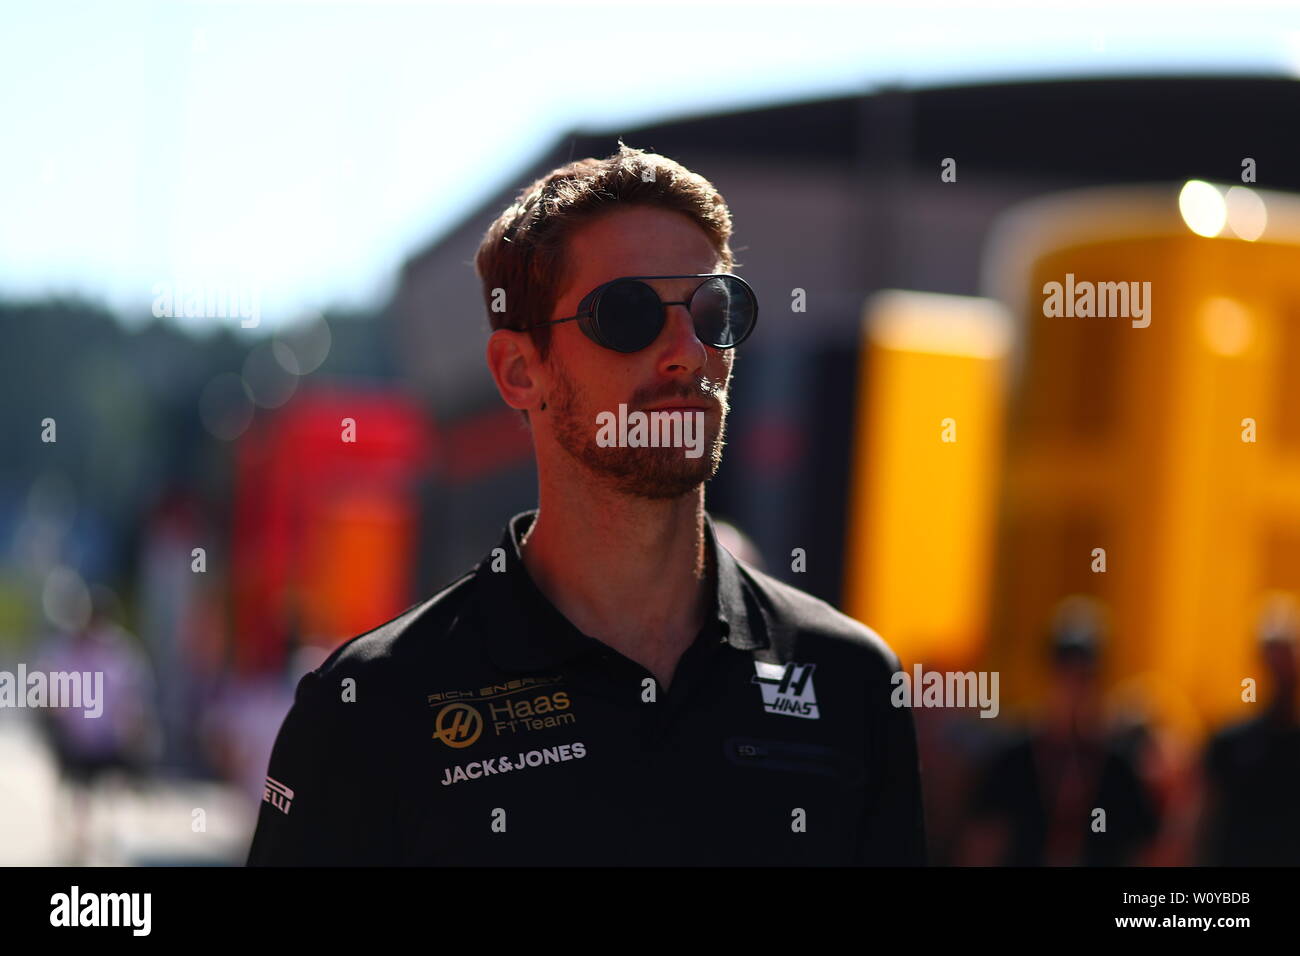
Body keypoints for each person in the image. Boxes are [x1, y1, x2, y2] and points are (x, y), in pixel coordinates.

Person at [247, 142, 925, 865]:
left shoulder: (849, 681)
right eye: (627, 313)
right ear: (518, 370)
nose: (688, 352)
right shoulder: (371, 705)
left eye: (712, 311)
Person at [957, 597, 1160, 866]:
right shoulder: (1012, 761)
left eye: (1085, 676)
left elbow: (1145, 853)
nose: (1074, 688)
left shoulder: (1119, 769)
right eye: (1066, 674)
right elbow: (980, 847)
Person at [1199, 594, 1300, 865]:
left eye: (1287, 652)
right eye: (1272, 652)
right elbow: (1203, 820)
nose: (1280, 665)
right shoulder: (1229, 742)